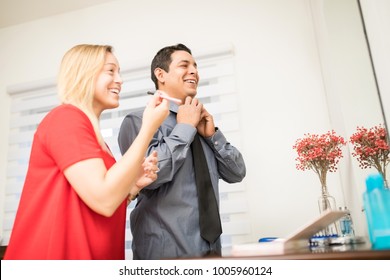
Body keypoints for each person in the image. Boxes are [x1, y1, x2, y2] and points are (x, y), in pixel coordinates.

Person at [4, 44, 169, 260]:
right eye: (111, 71)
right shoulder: (65, 118)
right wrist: (148, 128)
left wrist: (133, 186)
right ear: (84, 73)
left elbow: (92, 204)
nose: (119, 80)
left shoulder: (97, 141)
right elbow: (103, 200)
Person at [118, 43, 246, 260]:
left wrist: (212, 135)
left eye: (195, 66)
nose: (194, 71)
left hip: (212, 250)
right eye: (184, 65)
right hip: (163, 253)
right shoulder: (139, 120)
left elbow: (237, 173)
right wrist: (185, 128)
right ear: (161, 74)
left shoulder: (201, 123)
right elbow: (151, 176)